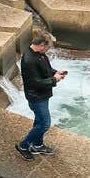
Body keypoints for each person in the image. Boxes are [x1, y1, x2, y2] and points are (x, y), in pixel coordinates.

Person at [17, 32, 66, 161]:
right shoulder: (29, 60)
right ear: (41, 45)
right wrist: (54, 80)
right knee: (45, 124)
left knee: (39, 120)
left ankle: (37, 145)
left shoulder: (40, 55)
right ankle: (23, 146)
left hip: (42, 95)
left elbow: (46, 69)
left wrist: (56, 73)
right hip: (36, 97)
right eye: (47, 47)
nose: (47, 50)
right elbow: (34, 82)